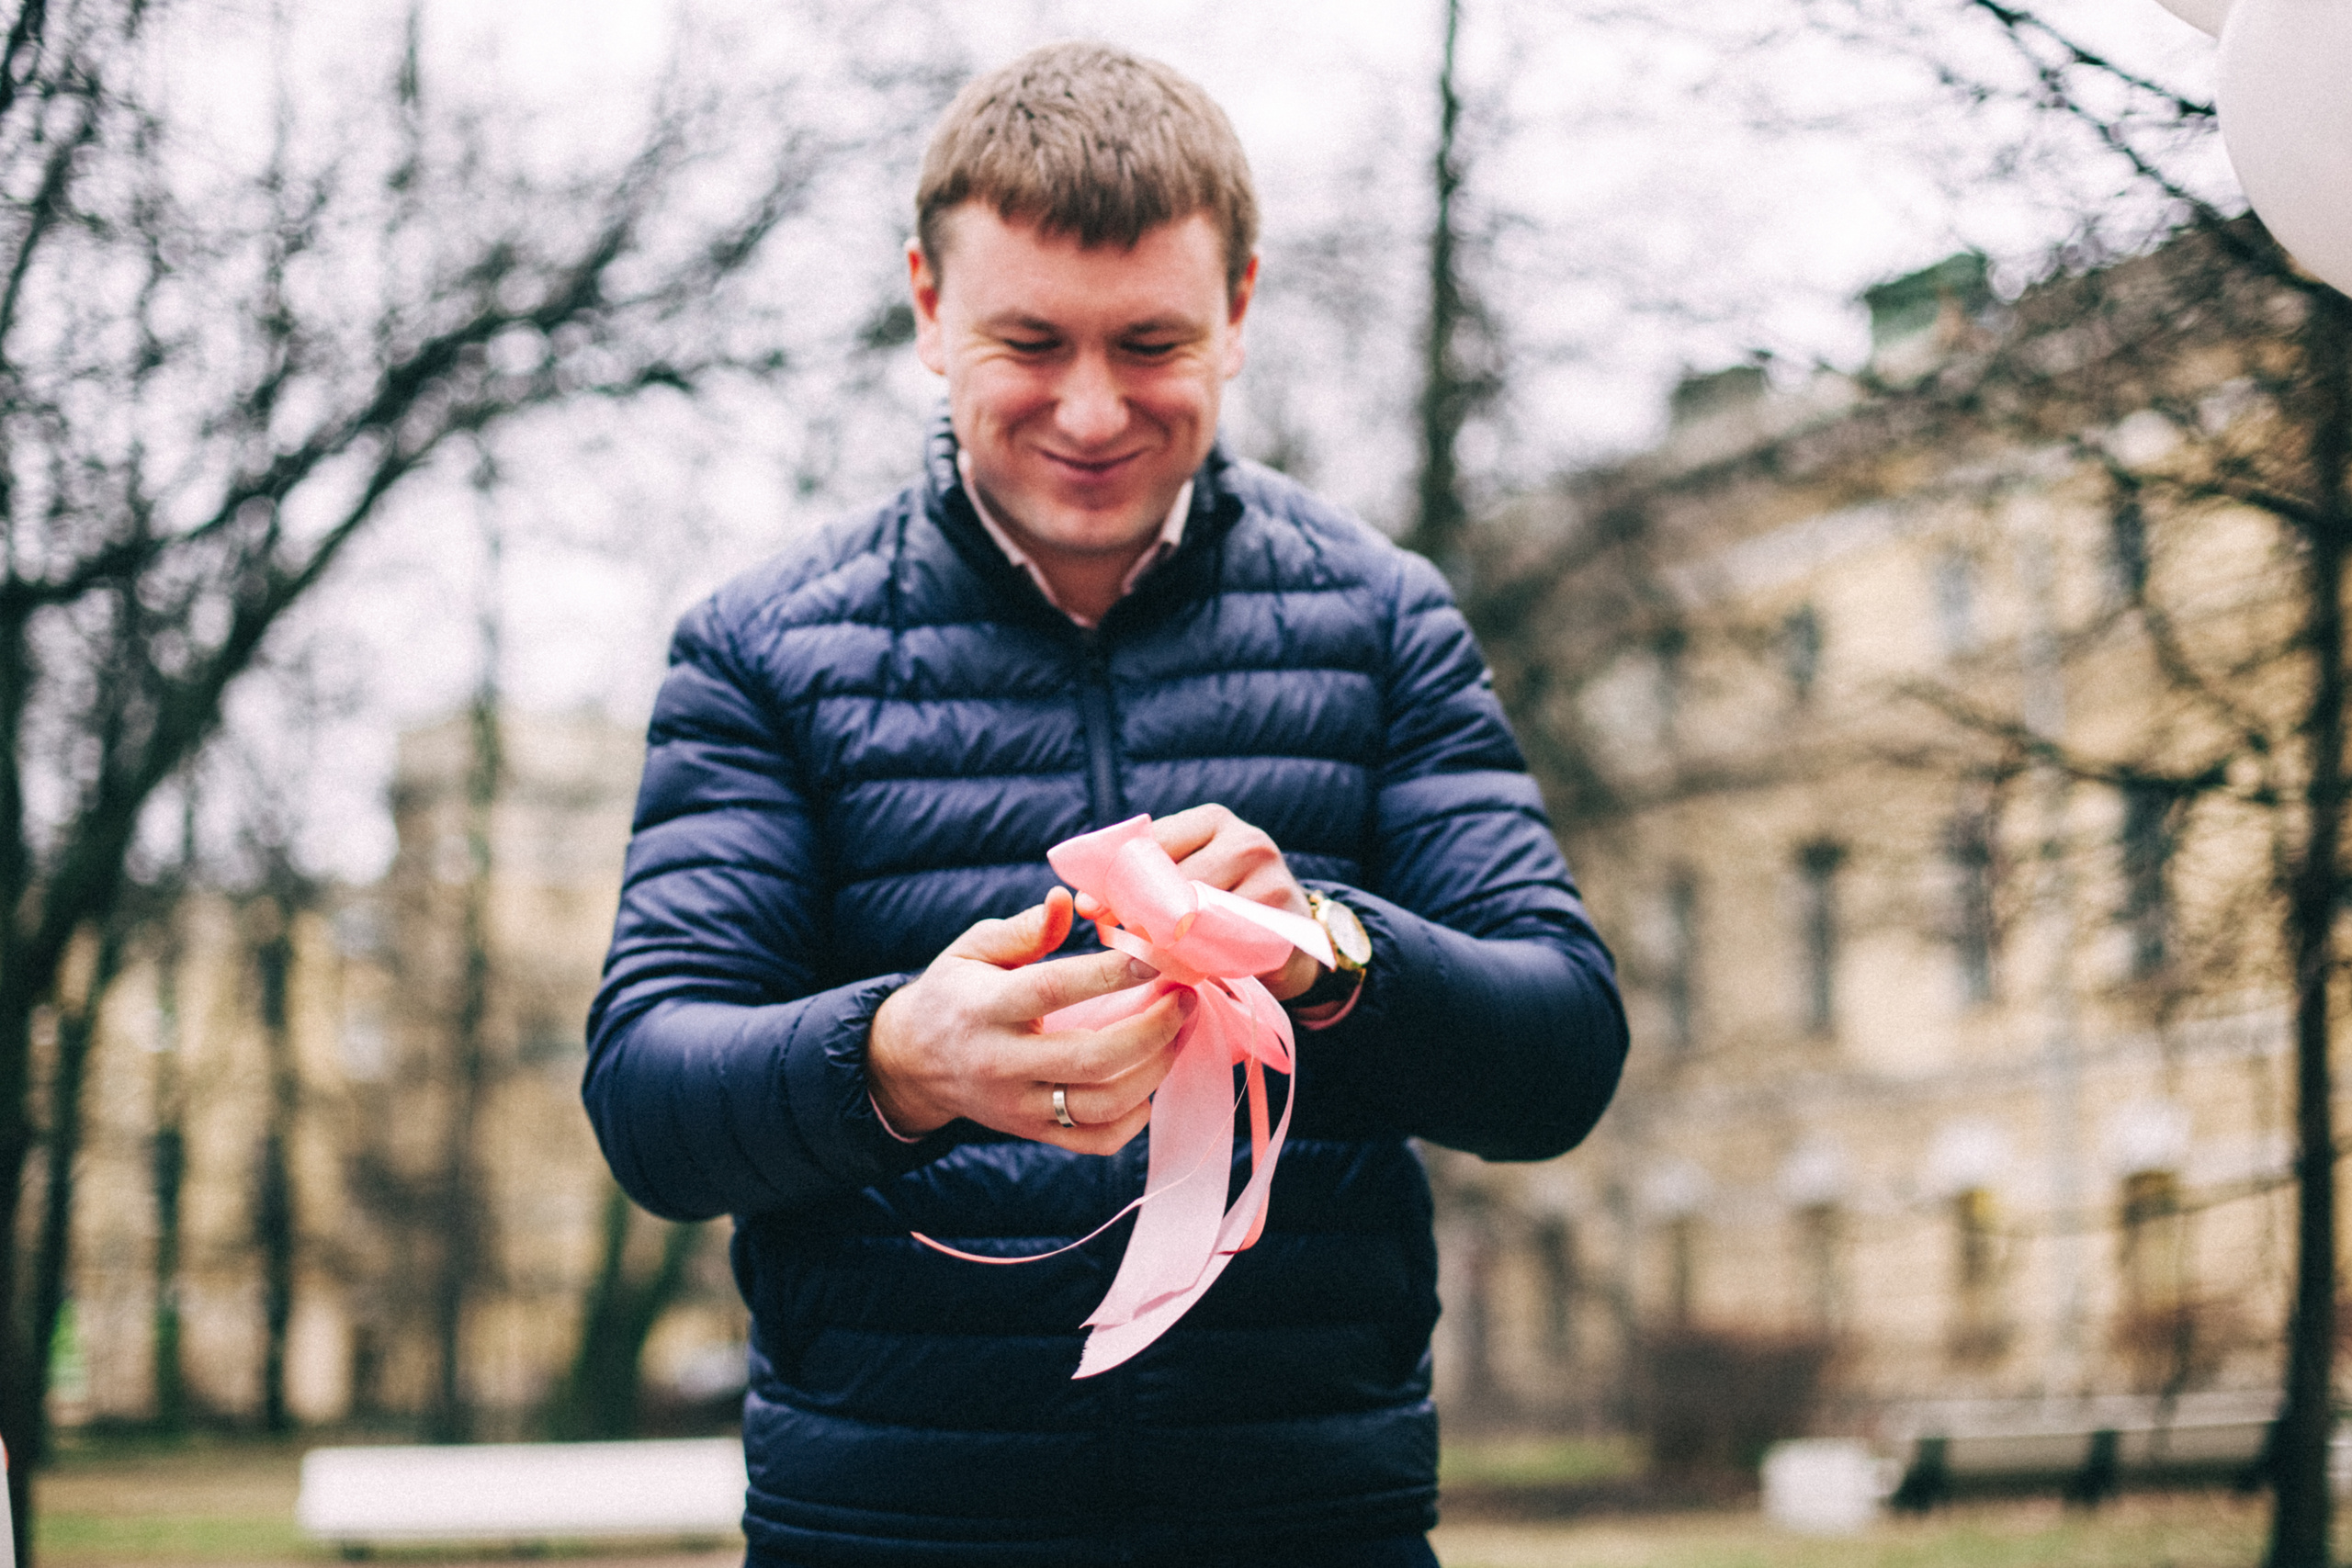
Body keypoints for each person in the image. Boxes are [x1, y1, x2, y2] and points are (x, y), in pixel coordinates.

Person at [584, 40, 1627, 1568]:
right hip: (888, 1524)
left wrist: (1331, 956)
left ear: (1241, 312)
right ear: (931, 314)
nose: (1089, 412)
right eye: (1031, 342)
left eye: (1149, 344)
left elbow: (1560, 1057)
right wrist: (894, 1059)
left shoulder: (1382, 620)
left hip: (1305, 1518)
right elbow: (651, 1099)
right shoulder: (762, 649)